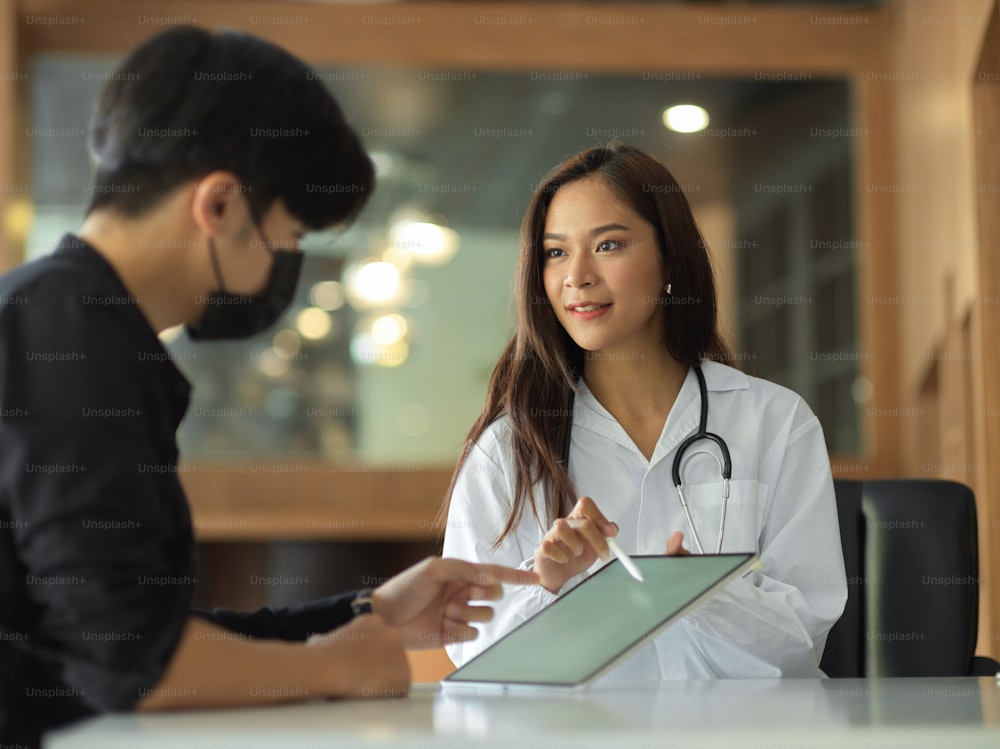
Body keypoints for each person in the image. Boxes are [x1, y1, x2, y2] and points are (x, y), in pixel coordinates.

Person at [0, 26, 536, 749]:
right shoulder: (75, 331)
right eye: (285, 239)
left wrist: (365, 612)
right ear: (219, 205)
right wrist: (328, 669)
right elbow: (132, 661)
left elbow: (141, 633)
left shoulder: (69, 318)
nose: (282, 266)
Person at [441, 143, 847, 680]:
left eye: (608, 244)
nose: (577, 276)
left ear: (671, 260)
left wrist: (696, 595)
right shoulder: (507, 453)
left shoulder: (774, 422)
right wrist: (551, 588)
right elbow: (472, 651)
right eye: (556, 252)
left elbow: (802, 638)